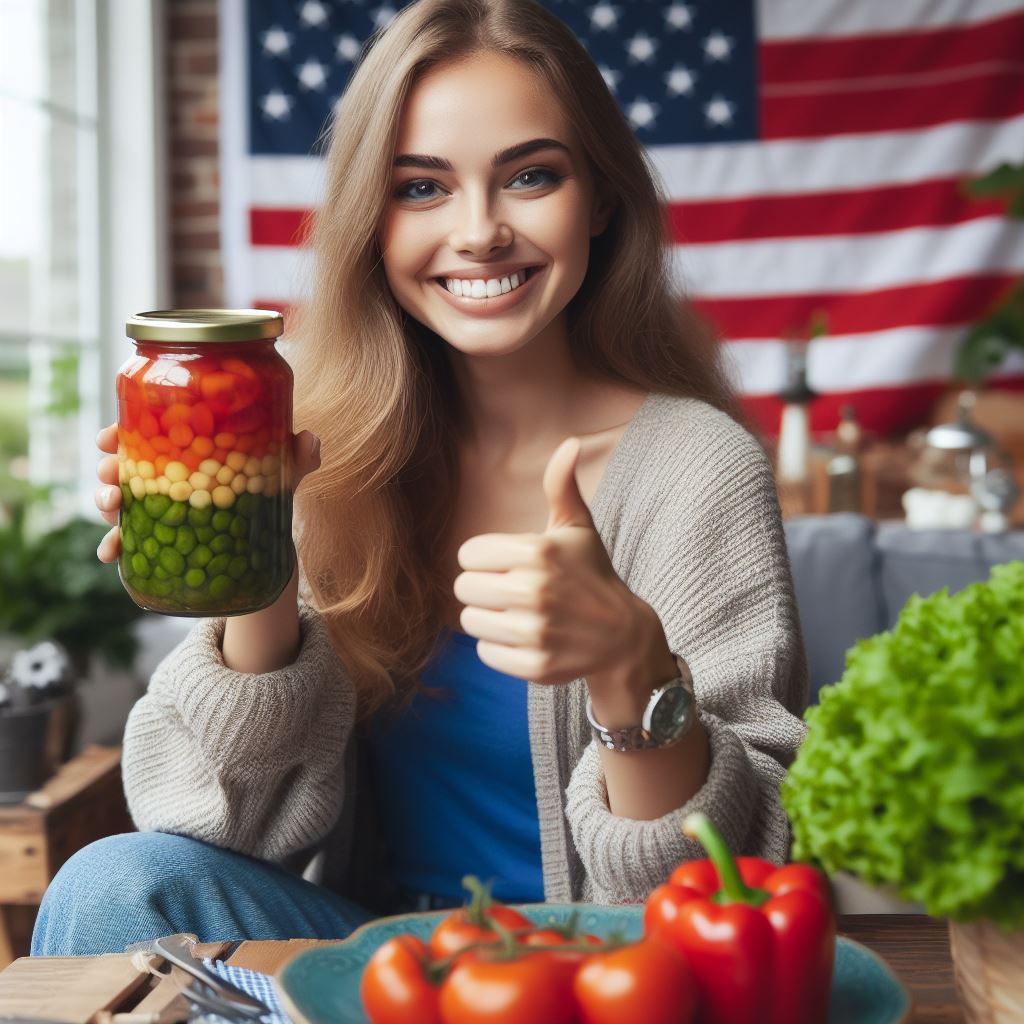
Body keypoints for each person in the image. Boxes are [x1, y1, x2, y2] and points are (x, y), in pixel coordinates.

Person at [32, 0, 808, 957]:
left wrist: (631, 669)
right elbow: (217, 826)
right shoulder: (325, 446)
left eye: (531, 176)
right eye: (422, 188)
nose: (479, 232)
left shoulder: (698, 465)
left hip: (612, 977)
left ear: (599, 199)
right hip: (380, 968)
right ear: (371, 220)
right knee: (113, 884)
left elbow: (742, 872)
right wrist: (259, 566)